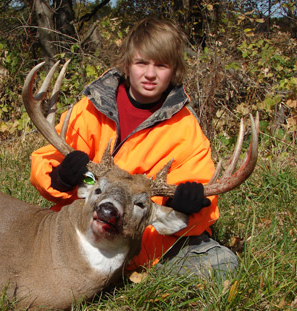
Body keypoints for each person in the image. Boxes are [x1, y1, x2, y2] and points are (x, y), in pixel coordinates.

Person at [29, 17, 238, 278]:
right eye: (141, 63)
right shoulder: (90, 109)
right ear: (128, 64)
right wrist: (60, 177)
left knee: (220, 265)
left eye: (161, 65)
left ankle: (123, 272)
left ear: (174, 71)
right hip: (83, 231)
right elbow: (45, 163)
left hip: (144, 244)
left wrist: (184, 205)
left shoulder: (185, 128)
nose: (150, 75)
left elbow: (201, 198)